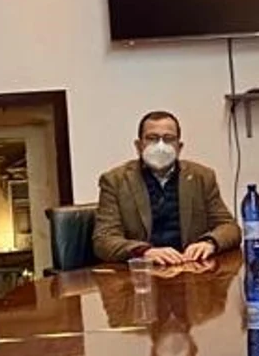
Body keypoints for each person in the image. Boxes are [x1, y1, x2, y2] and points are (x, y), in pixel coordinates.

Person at [93, 111, 241, 265]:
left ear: (179, 146)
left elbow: (229, 227)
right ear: (138, 145)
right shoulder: (115, 181)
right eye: (152, 138)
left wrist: (209, 243)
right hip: (143, 274)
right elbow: (103, 240)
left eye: (169, 139)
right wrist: (144, 252)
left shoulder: (202, 177)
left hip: (190, 269)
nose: (160, 146)